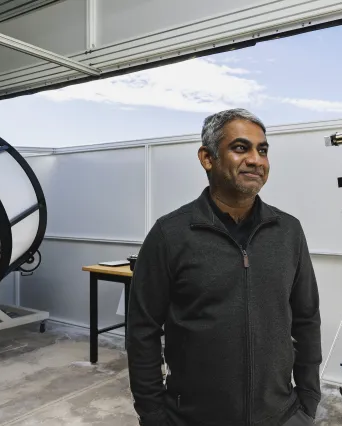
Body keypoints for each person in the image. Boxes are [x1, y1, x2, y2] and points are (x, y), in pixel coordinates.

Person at [127, 108, 322, 426]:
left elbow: (306, 320)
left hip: (281, 415)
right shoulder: (170, 234)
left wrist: (308, 401)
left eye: (263, 150)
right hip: (191, 418)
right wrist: (153, 414)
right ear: (207, 158)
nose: (256, 160)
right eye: (241, 148)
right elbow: (142, 331)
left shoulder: (288, 231)